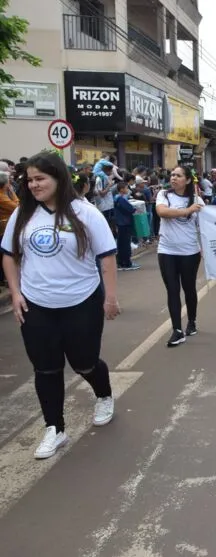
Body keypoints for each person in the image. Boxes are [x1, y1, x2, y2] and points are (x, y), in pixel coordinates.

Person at [0, 152, 120, 459]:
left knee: (84, 362)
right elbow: (9, 255)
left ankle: (104, 394)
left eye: (41, 179)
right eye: (29, 180)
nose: (34, 185)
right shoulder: (23, 213)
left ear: (58, 179)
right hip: (36, 304)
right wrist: (15, 293)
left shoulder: (83, 211)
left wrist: (110, 297)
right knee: (46, 368)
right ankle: (55, 429)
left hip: (81, 300)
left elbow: (106, 255)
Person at [155, 166, 205, 346]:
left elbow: (206, 226)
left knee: (189, 288)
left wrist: (207, 249)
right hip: (167, 250)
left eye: (178, 175)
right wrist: (187, 210)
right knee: (172, 289)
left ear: (188, 180)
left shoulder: (197, 200)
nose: (173, 178)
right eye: (172, 175)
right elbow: (162, 212)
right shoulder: (164, 195)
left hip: (189, 252)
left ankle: (192, 321)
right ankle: (177, 330)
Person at [113, 182, 140, 271]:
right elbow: (130, 209)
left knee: (121, 243)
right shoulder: (121, 199)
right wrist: (135, 209)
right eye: (126, 188)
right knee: (125, 244)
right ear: (121, 189)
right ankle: (126, 263)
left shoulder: (117, 198)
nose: (127, 189)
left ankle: (121, 262)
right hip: (124, 223)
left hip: (120, 223)